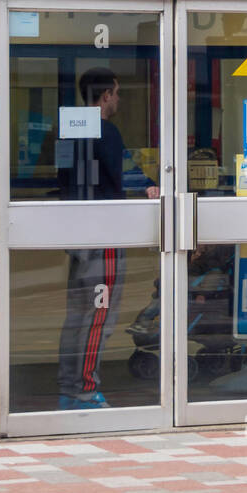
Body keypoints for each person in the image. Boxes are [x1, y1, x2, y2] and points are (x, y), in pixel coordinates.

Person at [56, 67, 159, 409]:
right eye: (116, 93)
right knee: (100, 316)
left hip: (76, 234)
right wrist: (148, 185)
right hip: (105, 234)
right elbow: (124, 173)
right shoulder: (108, 133)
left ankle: (69, 386)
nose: (118, 99)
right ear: (105, 97)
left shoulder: (68, 129)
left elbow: (65, 177)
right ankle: (84, 390)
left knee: (77, 316)